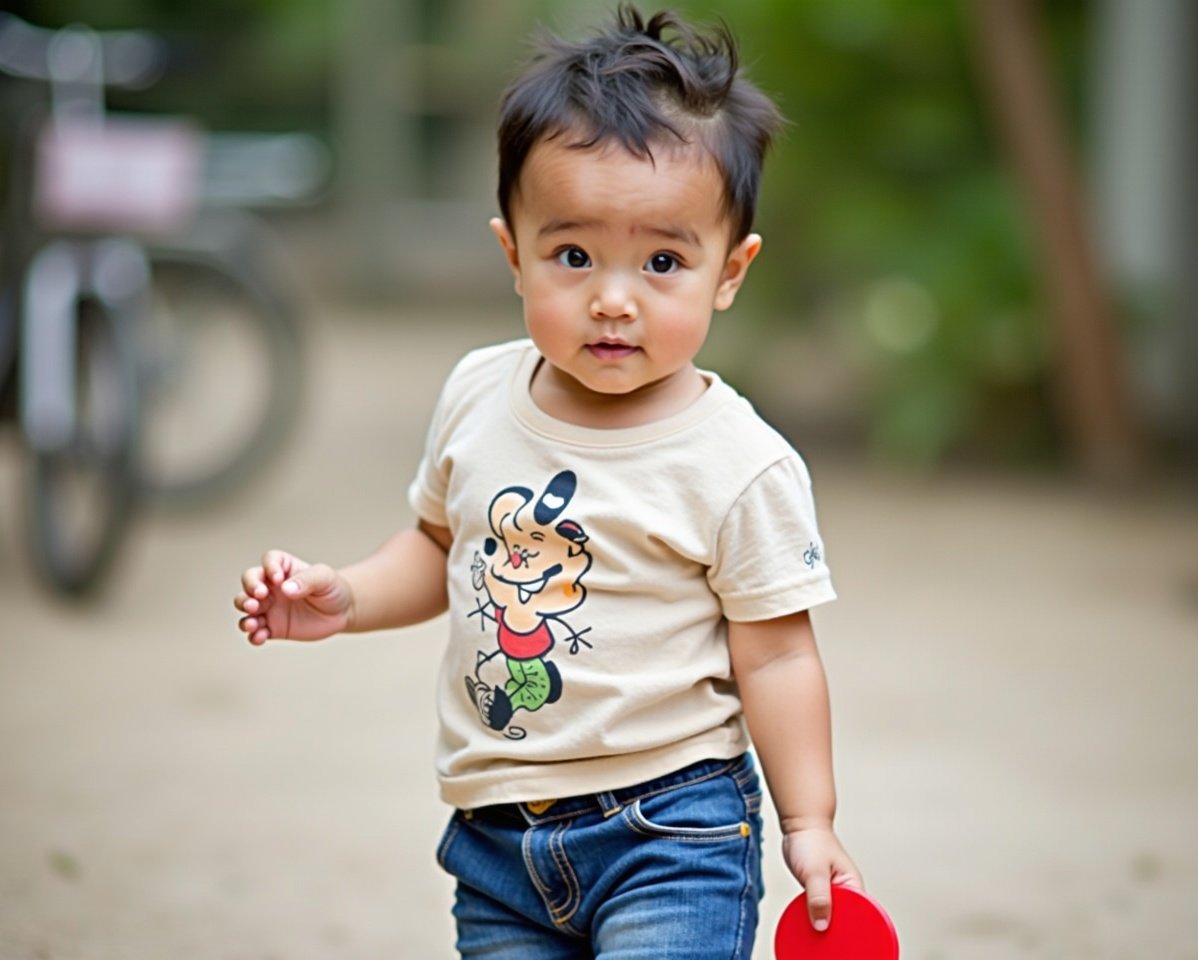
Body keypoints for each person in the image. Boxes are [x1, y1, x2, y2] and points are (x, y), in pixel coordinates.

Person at [234, 6, 863, 957]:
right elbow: (444, 544)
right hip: (496, 837)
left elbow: (775, 655)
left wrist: (807, 821)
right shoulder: (478, 395)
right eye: (573, 256)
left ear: (729, 272)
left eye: (662, 261)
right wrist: (347, 596)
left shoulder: (739, 462)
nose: (614, 297)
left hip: (674, 832)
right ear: (512, 254)